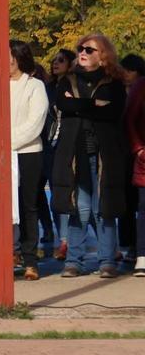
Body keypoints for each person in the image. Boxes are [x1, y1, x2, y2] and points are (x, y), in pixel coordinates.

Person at [52, 34, 128, 279]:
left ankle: (107, 261)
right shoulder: (67, 80)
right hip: (76, 152)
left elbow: (114, 112)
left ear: (102, 55)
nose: (82, 52)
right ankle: (74, 261)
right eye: (80, 49)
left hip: (105, 152)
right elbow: (65, 107)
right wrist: (95, 104)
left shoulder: (114, 83)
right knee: (79, 207)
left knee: (103, 207)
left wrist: (80, 104)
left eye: (89, 49)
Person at [0, 40, 49, 280]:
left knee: (28, 206)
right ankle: (3, 259)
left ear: (19, 57)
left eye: (8, 56)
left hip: (28, 154)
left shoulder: (35, 86)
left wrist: (7, 142)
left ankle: (30, 261)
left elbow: (35, 122)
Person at [47, 48, 77, 260]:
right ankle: (63, 239)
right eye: (54, 60)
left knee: (77, 195)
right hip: (51, 144)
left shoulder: (75, 84)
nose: (56, 63)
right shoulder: (48, 87)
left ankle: (108, 247)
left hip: (71, 142)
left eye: (61, 60)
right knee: (57, 196)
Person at [125, 70, 145, 277]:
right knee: (144, 208)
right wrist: (138, 149)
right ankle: (142, 256)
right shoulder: (141, 86)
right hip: (144, 160)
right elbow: (129, 119)